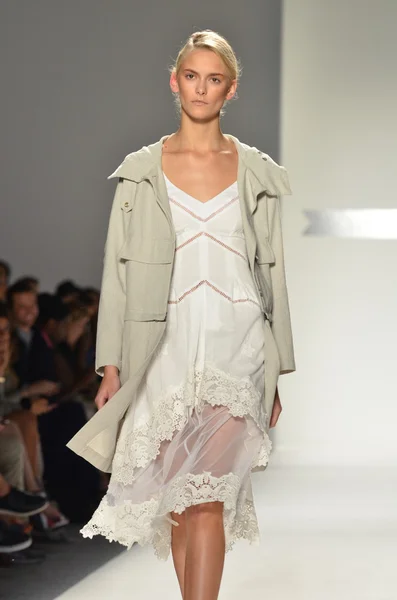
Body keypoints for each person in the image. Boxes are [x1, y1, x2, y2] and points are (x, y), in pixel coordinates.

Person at [67, 30, 296, 600]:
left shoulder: (254, 170)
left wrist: (278, 367)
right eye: (191, 76)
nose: (201, 88)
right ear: (175, 82)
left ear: (230, 89)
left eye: (213, 78)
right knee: (178, 498)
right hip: (160, 347)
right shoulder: (142, 172)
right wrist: (111, 366)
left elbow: (273, 274)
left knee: (206, 497)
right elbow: (116, 273)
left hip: (235, 343)